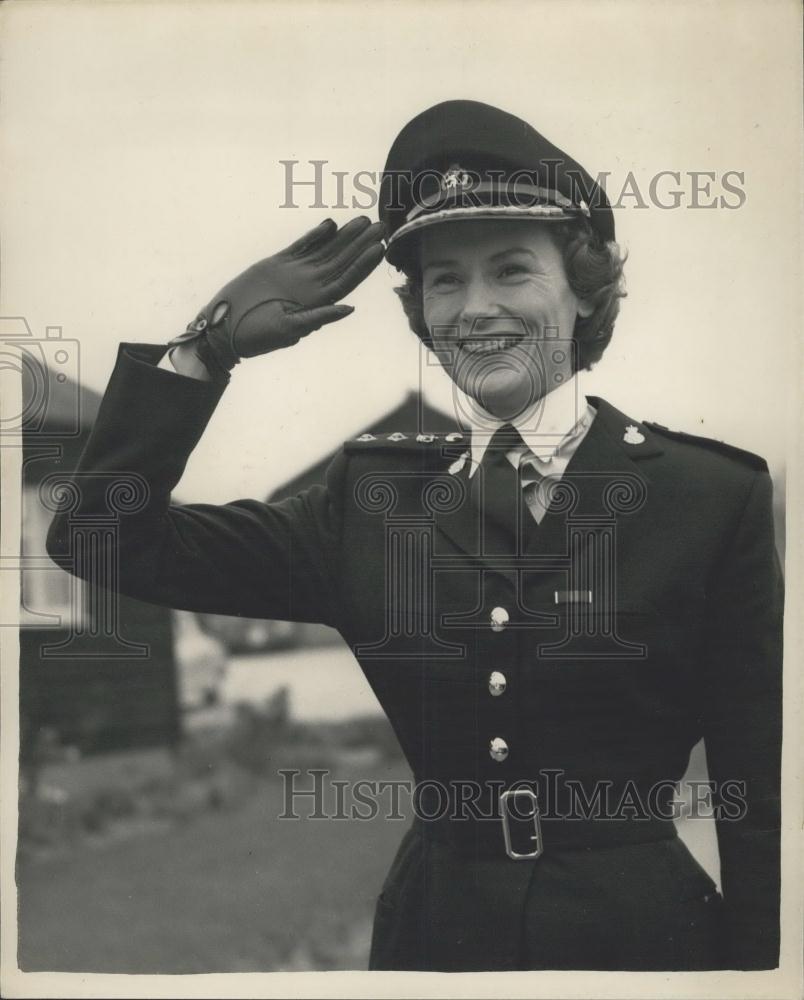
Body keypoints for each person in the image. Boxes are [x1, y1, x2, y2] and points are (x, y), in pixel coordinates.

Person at [46, 100, 782, 972]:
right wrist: (205, 350)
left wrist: (760, 978)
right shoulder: (367, 502)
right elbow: (100, 539)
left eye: (512, 271)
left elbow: (761, 798)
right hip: (434, 945)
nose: (475, 309)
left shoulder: (710, 497)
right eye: (445, 280)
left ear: (584, 286)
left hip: (642, 949)